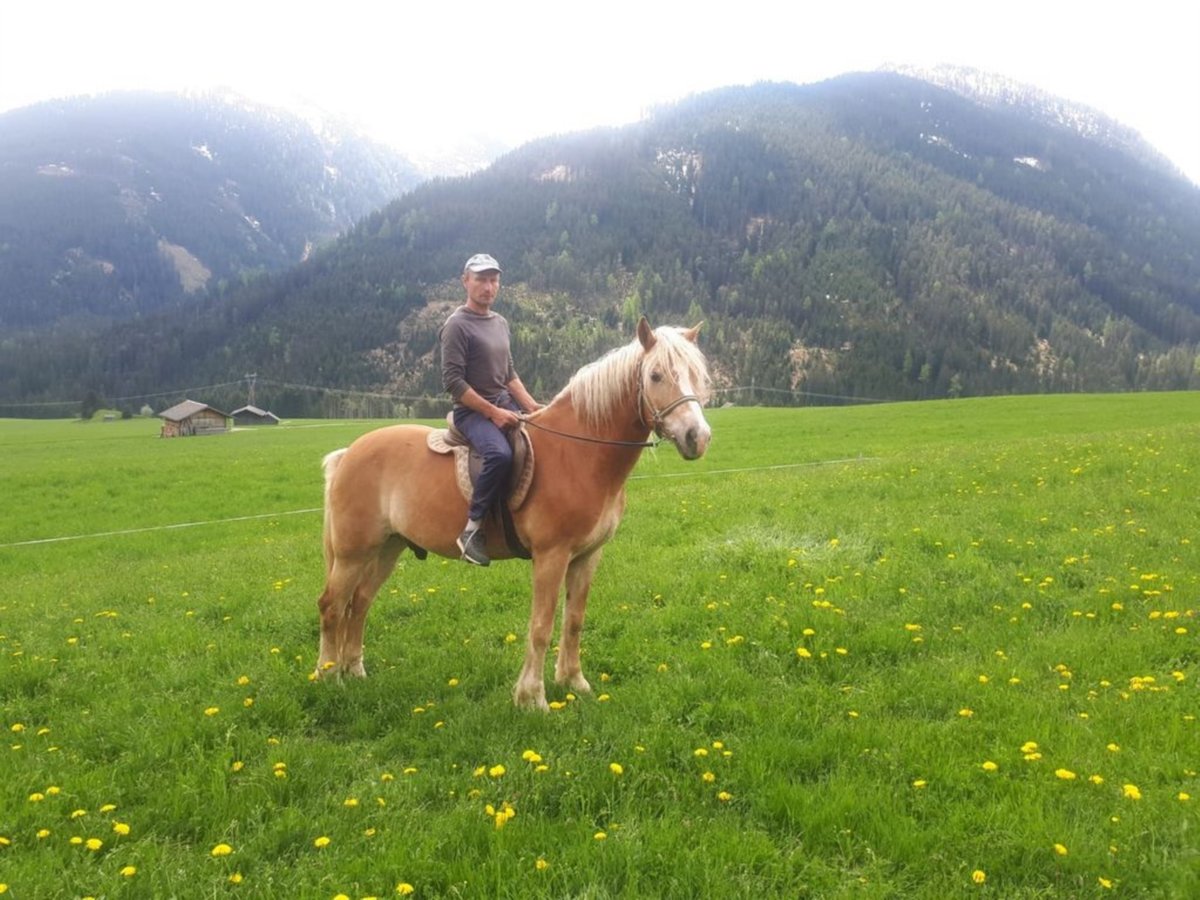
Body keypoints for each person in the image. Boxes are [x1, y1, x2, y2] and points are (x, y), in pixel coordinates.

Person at [439, 253, 541, 566]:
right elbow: (453, 382)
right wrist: (493, 413)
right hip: (472, 412)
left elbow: (509, 374)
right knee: (499, 454)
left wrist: (534, 407)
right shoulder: (456, 325)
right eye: (481, 279)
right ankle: (472, 530)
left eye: (493, 279)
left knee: (543, 442)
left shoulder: (500, 323)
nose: (488, 286)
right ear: (465, 281)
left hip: (504, 402)